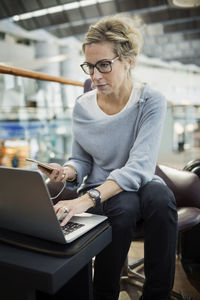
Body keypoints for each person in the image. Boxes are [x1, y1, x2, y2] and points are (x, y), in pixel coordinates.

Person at [39, 15, 178, 300]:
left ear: (128, 61)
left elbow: (139, 167)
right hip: (105, 188)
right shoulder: (82, 106)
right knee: (124, 207)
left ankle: (158, 295)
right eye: (90, 66)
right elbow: (81, 161)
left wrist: (84, 200)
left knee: (162, 199)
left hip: (140, 180)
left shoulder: (150, 100)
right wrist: (67, 171)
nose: (95, 75)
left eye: (104, 64)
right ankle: (104, 293)